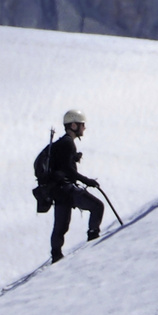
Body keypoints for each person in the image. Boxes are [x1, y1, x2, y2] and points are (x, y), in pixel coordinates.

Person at [44, 109, 104, 263]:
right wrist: (87, 181)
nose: (84, 128)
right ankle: (94, 241)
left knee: (60, 226)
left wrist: (73, 159)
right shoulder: (68, 143)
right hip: (67, 189)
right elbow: (68, 171)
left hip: (57, 191)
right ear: (73, 125)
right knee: (97, 206)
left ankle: (56, 256)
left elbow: (62, 165)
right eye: (82, 125)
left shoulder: (62, 143)